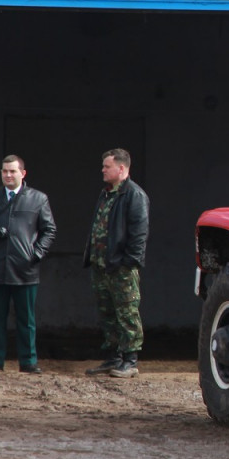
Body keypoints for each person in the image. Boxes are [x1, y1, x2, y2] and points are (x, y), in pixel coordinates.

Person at [0, 155, 57, 373]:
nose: (8, 175)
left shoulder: (38, 199)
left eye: (12, 171)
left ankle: (28, 362)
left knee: (26, 320)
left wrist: (36, 254)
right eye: (4, 171)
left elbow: (49, 230)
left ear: (23, 173)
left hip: (25, 270)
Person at [83, 148, 150, 379]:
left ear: (121, 169)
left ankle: (130, 360)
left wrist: (128, 262)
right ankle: (113, 357)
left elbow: (139, 234)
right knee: (107, 313)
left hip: (121, 268)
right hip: (101, 266)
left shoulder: (134, 195)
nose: (102, 170)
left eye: (107, 166)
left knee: (127, 313)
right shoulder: (107, 194)